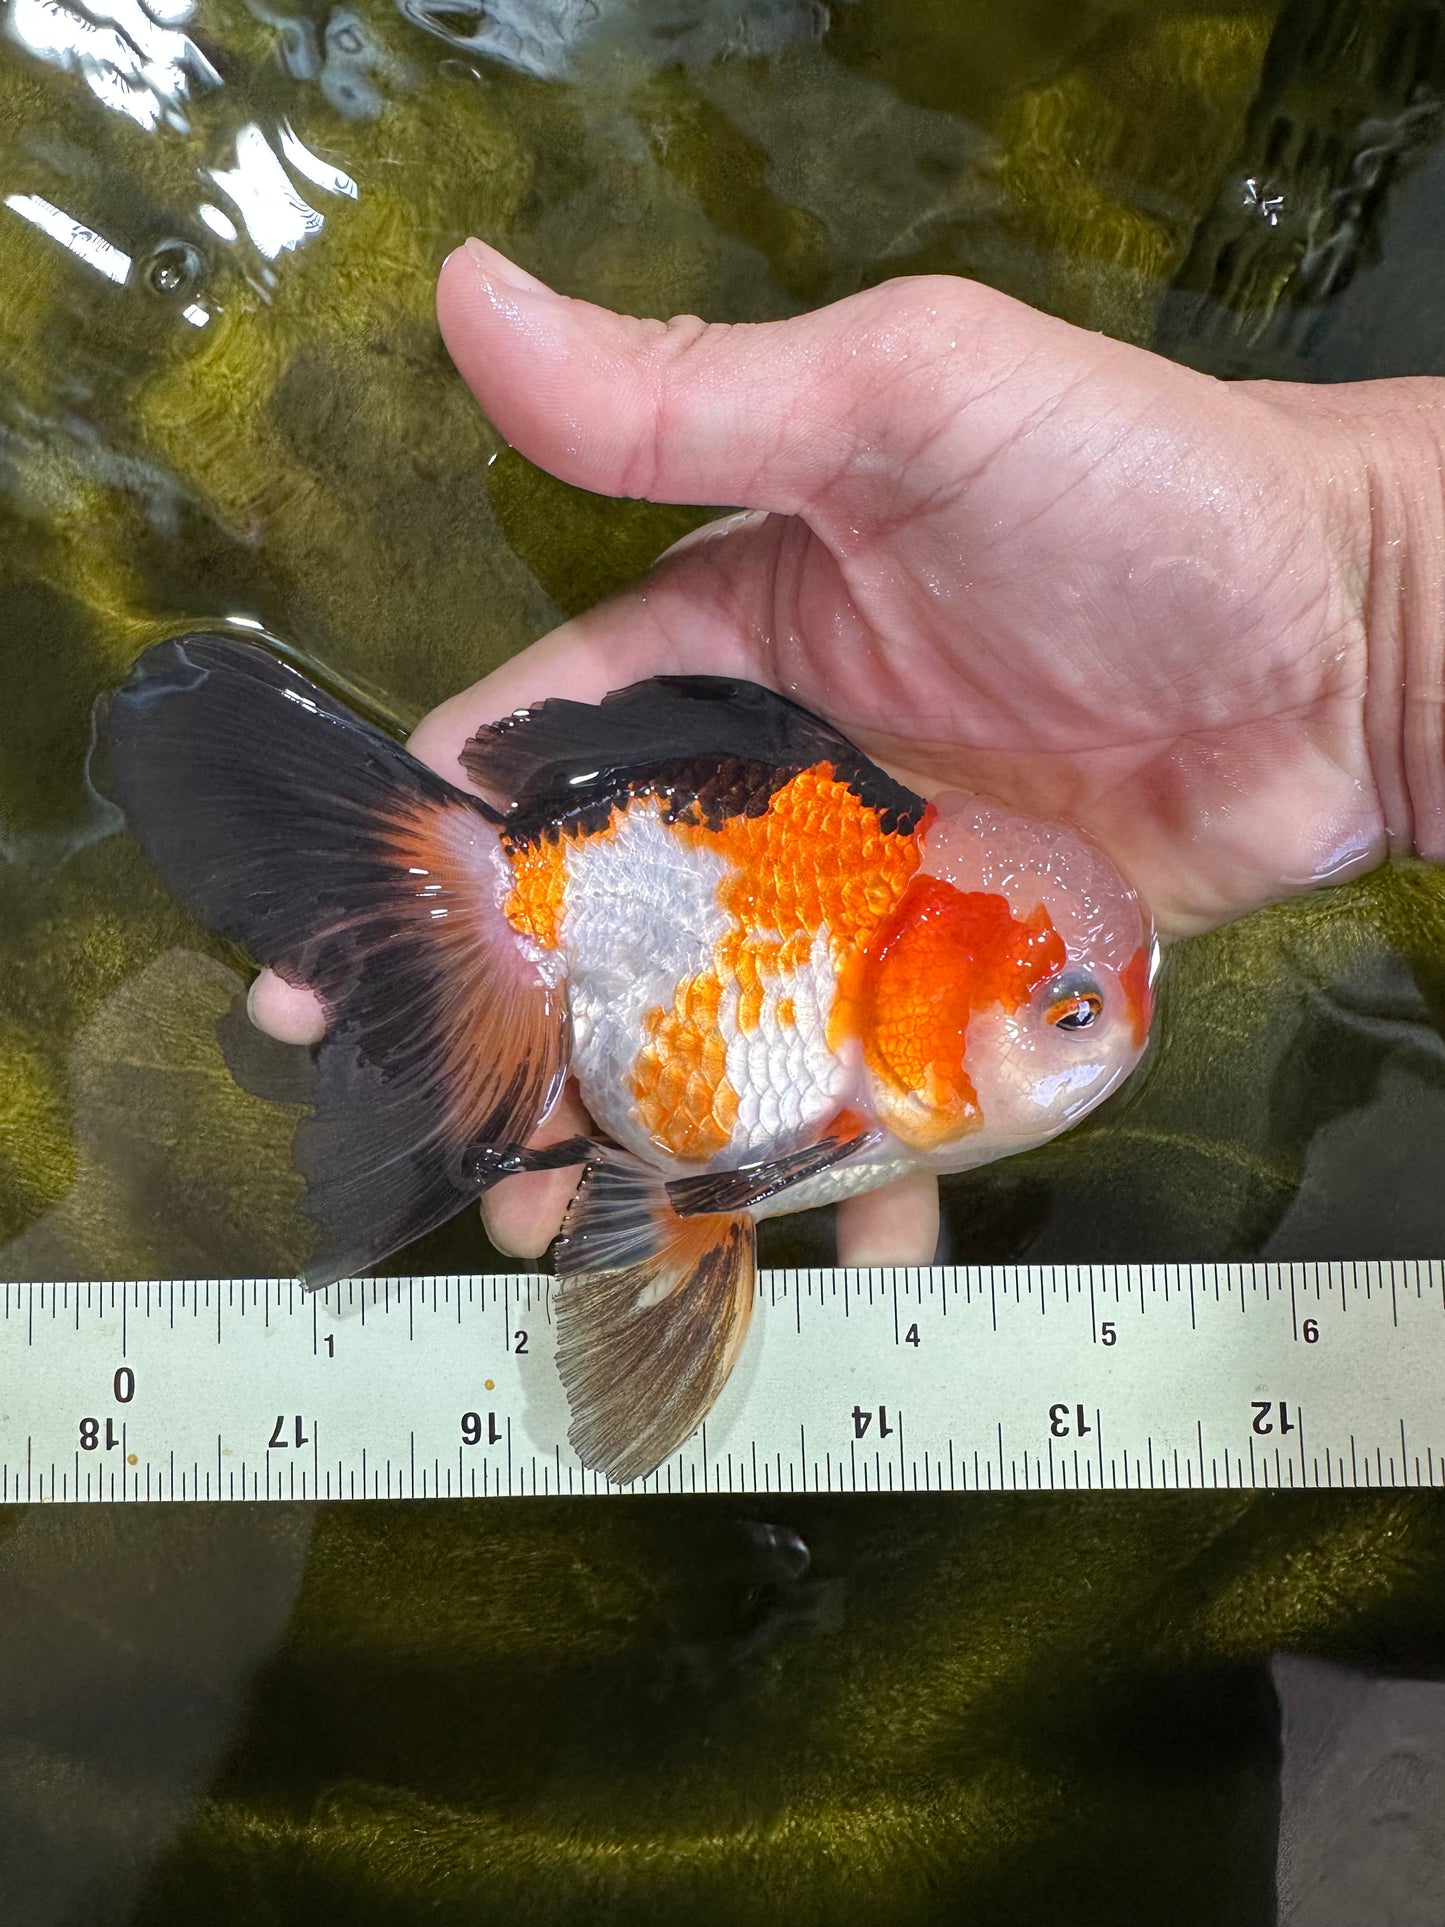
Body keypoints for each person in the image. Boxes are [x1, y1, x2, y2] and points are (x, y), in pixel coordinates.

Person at [249, 237, 1445, 1266]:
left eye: (1076, 1010)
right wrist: (1377, 594)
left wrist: (1385, 595)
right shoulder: (852, 973)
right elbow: (716, 1179)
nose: (1108, 1039)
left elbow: (707, 1187)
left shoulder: (887, 1030)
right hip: (610, 886)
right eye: (1068, 1012)